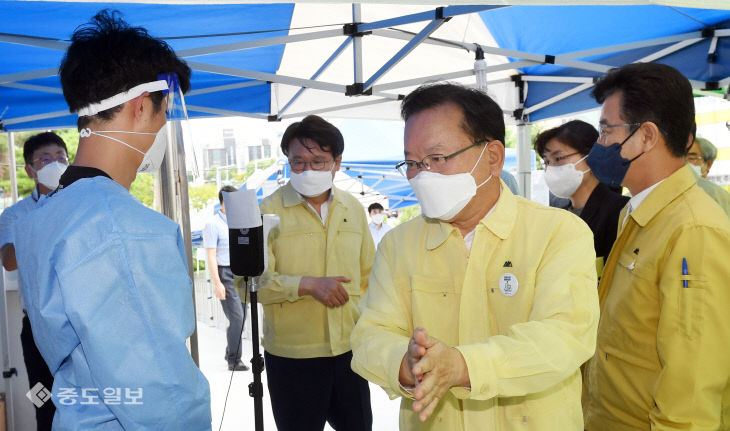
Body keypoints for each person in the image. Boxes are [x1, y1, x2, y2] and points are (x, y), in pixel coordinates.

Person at [350, 83, 599, 430]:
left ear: (493, 158)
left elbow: (562, 337)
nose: (422, 175)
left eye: (437, 159)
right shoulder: (398, 245)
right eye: (411, 163)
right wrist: (405, 364)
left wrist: (463, 365)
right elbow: (369, 336)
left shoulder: (557, 233)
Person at [14, 10, 211, 429]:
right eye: (164, 112)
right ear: (142, 106)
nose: (162, 125)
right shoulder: (126, 230)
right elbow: (161, 392)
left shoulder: (41, 218)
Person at [582, 63, 730, 430]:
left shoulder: (693, 230)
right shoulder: (639, 212)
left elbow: (693, 386)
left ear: (646, 136)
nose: (599, 144)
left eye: (606, 129)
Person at [259, 114, 375, 431]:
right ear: (287, 161)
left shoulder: (354, 208)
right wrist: (306, 285)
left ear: (337, 162)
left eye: (319, 161)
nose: (307, 170)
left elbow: (369, 279)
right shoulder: (266, 211)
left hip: (348, 350)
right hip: (292, 356)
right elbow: (250, 283)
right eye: (298, 162)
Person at [0, 131, 68, 430]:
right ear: (30, 169)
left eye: (61, 157)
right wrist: (42, 219)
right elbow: (9, 260)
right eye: (45, 159)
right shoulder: (16, 214)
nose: (55, 163)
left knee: (89, 400)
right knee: (42, 399)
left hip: (81, 322)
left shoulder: (81, 204)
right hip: (37, 327)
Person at [535, 120, 629, 272]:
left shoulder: (621, 211)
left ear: (591, 157)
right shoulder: (559, 216)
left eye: (558, 158)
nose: (551, 168)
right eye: (546, 161)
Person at [203, 185, 249, 371]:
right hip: (225, 274)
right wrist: (217, 283)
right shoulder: (213, 224)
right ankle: (233, 359)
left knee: (243, 317)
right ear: (224, 201)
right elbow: (211, 255)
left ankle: (231, 349)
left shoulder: (240, 222)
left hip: (241, 273)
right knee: (237, 318)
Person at [686, 136, 730, 216]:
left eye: (691, 158)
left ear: (709, 164)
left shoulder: (717, 195)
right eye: (681, 158)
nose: (685, 163)